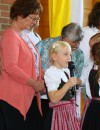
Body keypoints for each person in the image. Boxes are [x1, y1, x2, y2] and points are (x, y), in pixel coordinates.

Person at [0, 0, 45, 130]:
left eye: (37, 18)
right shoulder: (11, 36)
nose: (34, 22)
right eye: (32, 17)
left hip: (28, 94)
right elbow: (10, 67)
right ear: (20, 14)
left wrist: (43, 75)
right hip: (13, 97)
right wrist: (34, 83)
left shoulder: (24, 36)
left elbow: (32, 64)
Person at [36, 22, 84, 120]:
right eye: (66, 53)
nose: (69, 56)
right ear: (62, 37)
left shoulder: (79, 54)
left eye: (73, 47)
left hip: (65, 102)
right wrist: (38, 73)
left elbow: (76, 78)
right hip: (41, 98)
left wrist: (77, 81)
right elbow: (29, 65)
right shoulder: (44, 45)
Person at [44, 41, 81, 130]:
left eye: (70, 55)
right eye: (65, 54)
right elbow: (53, 98)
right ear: (54, 56)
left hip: (69, 114)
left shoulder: (66, 72)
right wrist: (68, 84)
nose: (69, 58)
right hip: (58, 114)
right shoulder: (52, 73)